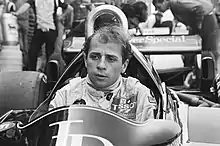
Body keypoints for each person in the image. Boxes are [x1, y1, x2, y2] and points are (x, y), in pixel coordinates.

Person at [49, 25, 157, 122]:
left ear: (124, 65)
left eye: (110, 59)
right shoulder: (65, 95)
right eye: (95, 57)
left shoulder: (139, 95)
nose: (101, 65)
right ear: (86, 60)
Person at [152, 0, 220, 75]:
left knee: (209, 53)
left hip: (206, 21)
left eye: (159, 7)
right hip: (200, 23)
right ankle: (194, 74)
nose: (159, 10)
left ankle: (211, 78)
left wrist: (198, 25)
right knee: (193, 51)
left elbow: (199, 8)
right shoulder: (173, 7)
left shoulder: (176, 3)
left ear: (164, 1)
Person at [12, 0, 73, 71]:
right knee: (34, 52)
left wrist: (62, 16)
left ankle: (47, 74)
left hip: (49, 29)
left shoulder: (55, 1)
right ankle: (35, 72)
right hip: (42, 29)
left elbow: (69, 9)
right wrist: (17, 13)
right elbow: (26, 5)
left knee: (44, 54)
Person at [12, 0, 29, 71]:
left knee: (24, 45)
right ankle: (24, 64)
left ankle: (25, 64)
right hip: (19, 20)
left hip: (22, 20)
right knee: (22, 45)